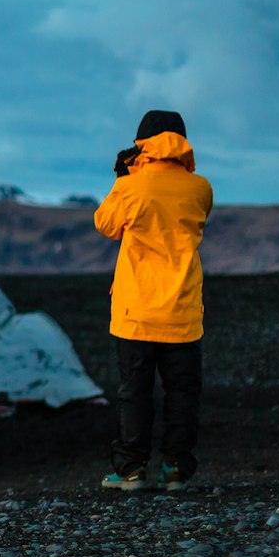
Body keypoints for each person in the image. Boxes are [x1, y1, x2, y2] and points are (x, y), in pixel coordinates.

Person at [92, 109, 213, 492]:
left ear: (142, 143)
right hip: (182, 309)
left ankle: (131, 470)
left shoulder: (131, 187)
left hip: (136, 311)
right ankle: (176, 469)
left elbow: (106, 224)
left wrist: (123, 178)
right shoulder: (201, 188)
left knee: (134, 391)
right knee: (182, 392)